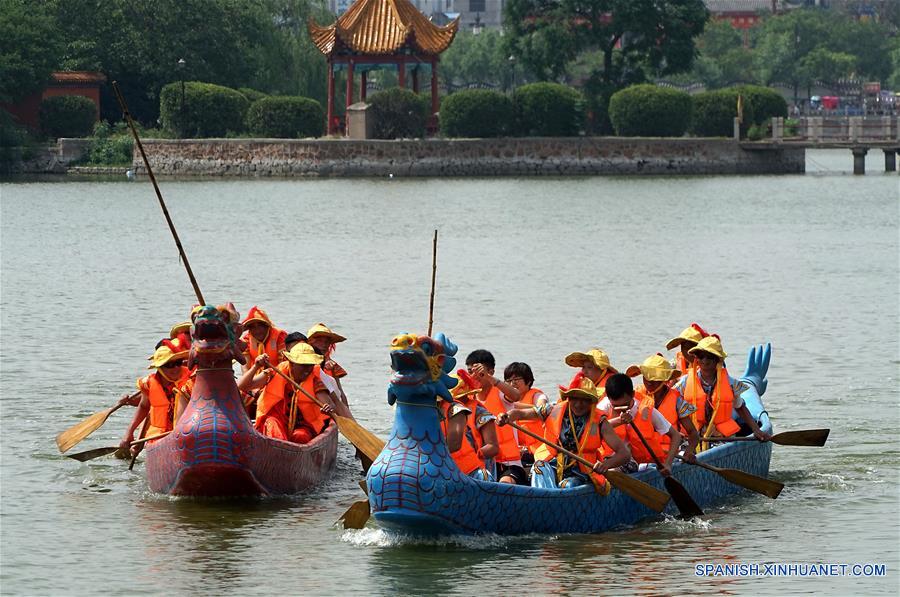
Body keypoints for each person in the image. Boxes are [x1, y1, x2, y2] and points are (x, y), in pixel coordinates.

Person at [507, 376, 630, 491]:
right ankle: (546, 498)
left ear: (592, 402)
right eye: (574, 399)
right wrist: (508, 416)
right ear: (568, 398)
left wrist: (606, 465)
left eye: (584, 400)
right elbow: (521, 414)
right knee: (539, 466)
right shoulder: (552, 409)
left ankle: (552, 498)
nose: (578, 404)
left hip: (583, 472)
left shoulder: (600, 422)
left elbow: (624, 454)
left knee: (567, 485)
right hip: (555, 464)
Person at [672, 335, 771, 448]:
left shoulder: (731, 383)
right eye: (701, 356)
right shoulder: (684, 382)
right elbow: (671, 401)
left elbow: (740, 407)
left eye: (709, 357)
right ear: (696, 359)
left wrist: (756, 430)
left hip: (722, 438)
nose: (704, 361)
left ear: (717, 360)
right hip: (693, 437)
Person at [242, 343, 350, 443]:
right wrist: (256, 366)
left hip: (303, 425)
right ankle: (280, 452)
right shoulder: (274, 373)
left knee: (300, 436)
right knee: (273, 426)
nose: (307, 369)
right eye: (303, 365)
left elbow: (329, 403)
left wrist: (328, 407)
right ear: (292, 363)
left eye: (310, 365)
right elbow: (243, 386)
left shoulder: (315, 381)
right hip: (277, 421)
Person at [599, 373, 682, 475]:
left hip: (633, 461)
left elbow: (676, 436)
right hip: (607, 459)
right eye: (616, 406)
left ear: (633, 394)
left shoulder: (645, 409)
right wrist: (619, 421)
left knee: (614, 471)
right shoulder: (603, 406)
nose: (622, 409)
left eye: (625, 405)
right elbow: (592, 428)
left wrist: (668, 464)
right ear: (608, 398)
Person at [465, 349, 526, 485]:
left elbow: (516, 396)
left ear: (491, 372)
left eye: (479, 373)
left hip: (508, 463)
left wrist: (488, 378)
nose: (474, 376)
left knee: (504, 484)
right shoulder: (467, 399)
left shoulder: (500, 393)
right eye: (470, 372)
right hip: (481, 463)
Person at [119, 344, 192, 456]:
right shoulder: (148, 383)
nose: (176, 368)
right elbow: (144, 407)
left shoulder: (192, 379)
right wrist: (129, 433)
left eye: (178, 363)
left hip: (186, 435)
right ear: (160, 368)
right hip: (158, 438)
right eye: (170, 365)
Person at [625, 354, 699, 463]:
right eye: (646, 377)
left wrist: (689, 451)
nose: (649, 382)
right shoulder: (634, 395)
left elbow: (693, 433)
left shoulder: (677, 400)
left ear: (665, 379)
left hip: (670, 452)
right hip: (640, 452)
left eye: (654, 379)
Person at [440, 370, 499, 481]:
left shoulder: (479, 412)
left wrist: (475, 454)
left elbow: (493, 446)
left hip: (478, 464)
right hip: (451, 463)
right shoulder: (442, 410)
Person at [502, 362, 550, 464]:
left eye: (516, 379)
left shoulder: (537, 396)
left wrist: (515, 407)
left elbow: (543, 408)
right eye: (508, 381)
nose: (512, 384)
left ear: (528, 381)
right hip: (516, 450)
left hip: (538, 451)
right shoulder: (504, 399)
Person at [307, 323, 349, 408]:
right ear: (310, 343)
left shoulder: (331, 365)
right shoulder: (302, 364)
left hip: (330, 407)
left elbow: (341, 394)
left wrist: (348, 417)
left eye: (326, 342)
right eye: (320, 341)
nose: (324, 345)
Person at [240, 306, 287, 373]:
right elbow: (245, 367)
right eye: (252, 327)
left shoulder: (280, 337)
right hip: (255, 377)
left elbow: (284, 365)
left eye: (260, 325)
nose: (257, 330)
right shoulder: (246, 340)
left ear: (267, 326)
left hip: (278, 375)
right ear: (249, 329)